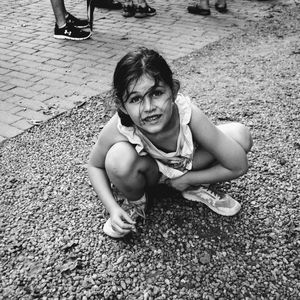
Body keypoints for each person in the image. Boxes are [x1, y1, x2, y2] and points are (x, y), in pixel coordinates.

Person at [88, 47, 253, 238]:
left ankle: (193, 185)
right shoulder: (119, 127)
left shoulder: (187, 114)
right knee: (117, 159)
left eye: (156, 93)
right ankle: (134, 202)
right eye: (135, 99)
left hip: (189, 165)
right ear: (121, 106)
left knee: (241, 135)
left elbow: (239, 165)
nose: (148, 108)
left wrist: (187, 179)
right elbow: (94, 165)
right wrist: (112, 208)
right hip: (152, 173)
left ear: (173, 91)